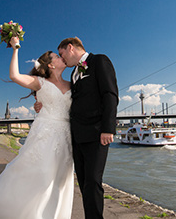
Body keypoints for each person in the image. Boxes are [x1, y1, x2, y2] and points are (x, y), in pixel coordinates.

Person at [0, 37, 74, 219]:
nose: (60, 56)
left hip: (66, 137)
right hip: (44, 134)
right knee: (41, 175)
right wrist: (16, 48)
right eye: (56, 56)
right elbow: (14, 76)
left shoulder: (72, 85)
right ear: (51, 65)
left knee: (60, 181)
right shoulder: (40, 83)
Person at [35, 37, 118, 219]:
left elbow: (110, 94)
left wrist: (108, 128)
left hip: (97, 134)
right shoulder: (73, 75)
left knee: (94, 182)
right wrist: (42, 104)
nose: (62, 59)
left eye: (62, 54)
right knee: (84, 183)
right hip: (76, 137)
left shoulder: (99, 61)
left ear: (70, 48)